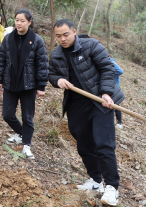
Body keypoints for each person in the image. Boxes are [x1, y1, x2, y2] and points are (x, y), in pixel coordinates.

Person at [49, 19, 125, 206]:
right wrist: (57, 80)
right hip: (76, 104)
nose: (62, 39)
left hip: (100, 101)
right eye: (58, 36)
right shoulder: (56, 54)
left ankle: (112, 187)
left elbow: (107, 68)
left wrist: (106, 93)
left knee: (103, 144)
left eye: (66, 34)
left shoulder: (91, 45)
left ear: (74, 31)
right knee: (83, 144)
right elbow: (49, 74)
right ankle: (96, 181)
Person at [0, 9, 48, 160]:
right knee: (7, 114)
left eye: (22, 20)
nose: (18, 23)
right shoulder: (9, 38)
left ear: (30, 22)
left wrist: (41, 86)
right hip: (10, 82)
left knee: (27, 117)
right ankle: (20, 133)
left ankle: (26, 145)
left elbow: (42, 64)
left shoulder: (36, 40)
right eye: (17, 20)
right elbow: (1, 60)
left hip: (28, 85)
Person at [79, 35, 125, 129]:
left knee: (115, 105)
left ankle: (119, 122)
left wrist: (109, 76)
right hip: (103, 86)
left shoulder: (108, 60)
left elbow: (119, 71)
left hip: (112, 86)